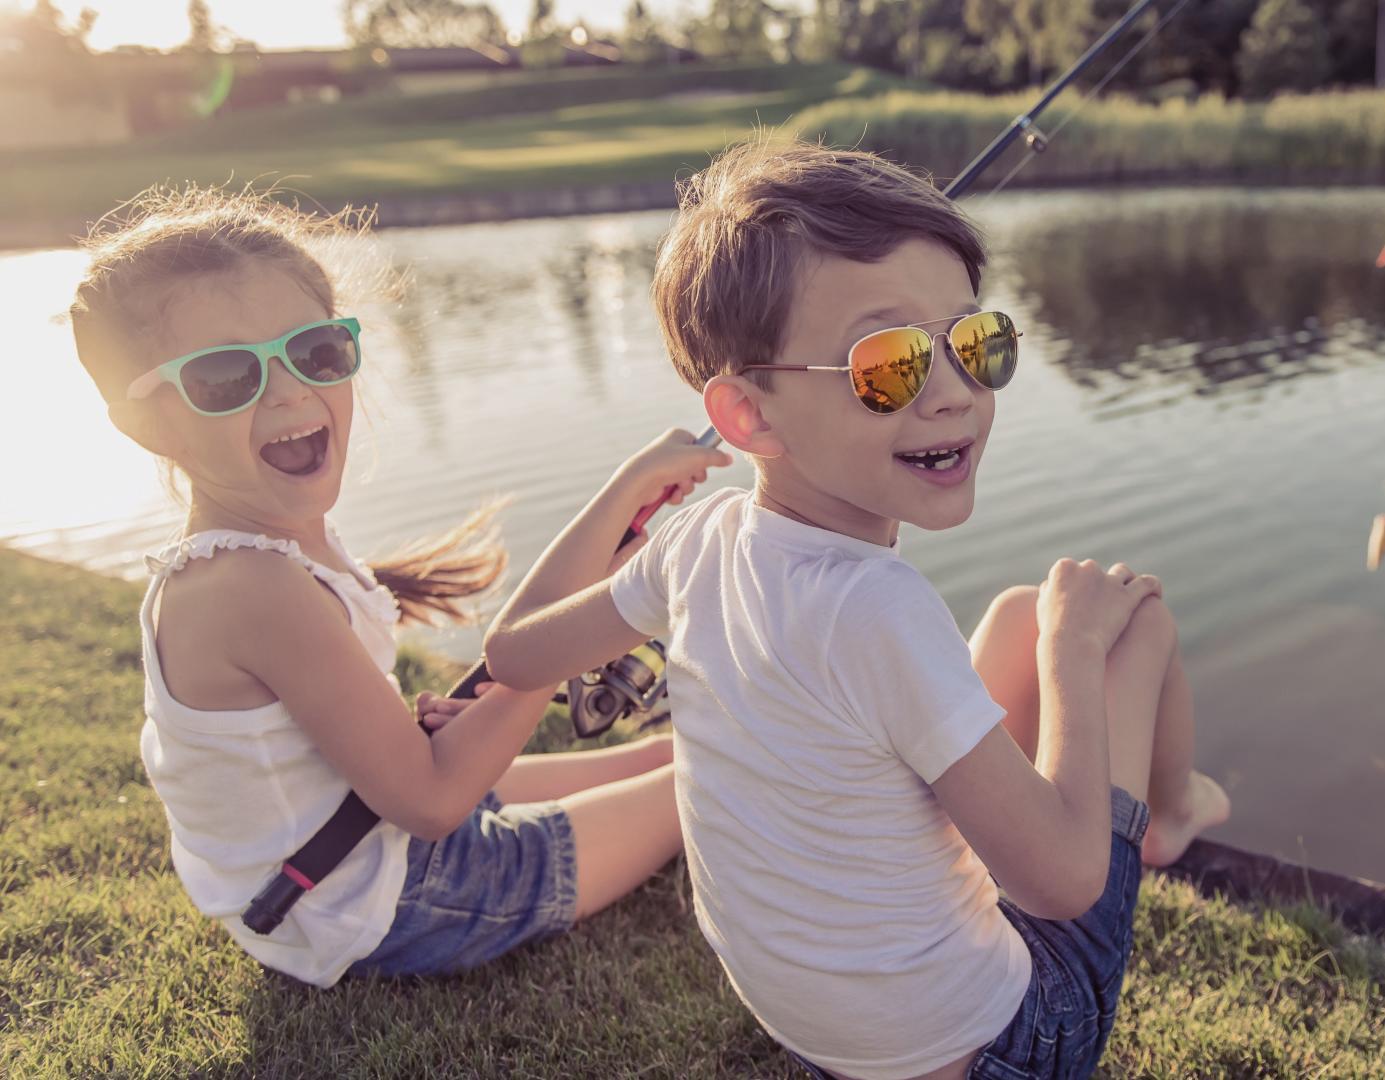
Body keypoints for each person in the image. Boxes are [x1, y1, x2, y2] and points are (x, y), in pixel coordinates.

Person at [484, 141, 1231, 1079]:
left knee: (1013, 615)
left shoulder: (693, 543)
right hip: (1000, 1047)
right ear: (749, 416)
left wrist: (624, 491)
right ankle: (1169, 814)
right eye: (890, 366)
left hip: (820, 1029)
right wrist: (1074, 657)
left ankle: (1135, 798)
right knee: (1131, 626)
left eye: (973, 342)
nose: (955, 393)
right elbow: (1063, 885)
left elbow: (512, 652)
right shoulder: (876, 607)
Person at [69, 187, 705, 986]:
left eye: (316, 351)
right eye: (227, 375)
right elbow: (436, 800)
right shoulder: (249, 587)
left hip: (355, 848)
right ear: (146, 421)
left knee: (686, 748)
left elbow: (468, 704)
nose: (292, 391)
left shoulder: (269, 547)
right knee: (715, 776)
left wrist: (623, 491)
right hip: (388, 903)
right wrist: (589, 626)